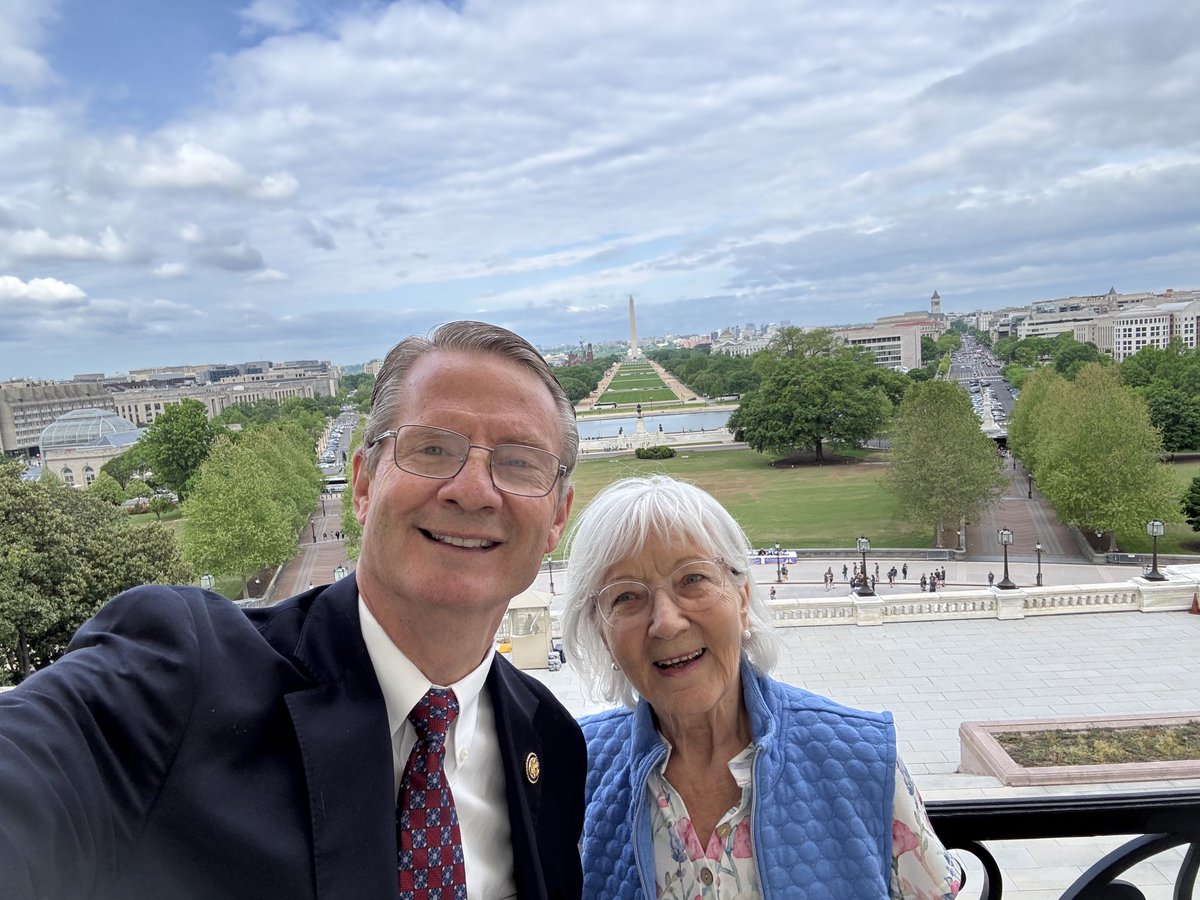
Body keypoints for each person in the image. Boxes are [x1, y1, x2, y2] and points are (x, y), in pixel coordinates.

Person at [0, 321, 587, 900]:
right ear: (362, 484)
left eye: (519, 463)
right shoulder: (183, 673)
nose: (473, 489)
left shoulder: (551, 742)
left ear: (558, 516)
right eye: (432, 448)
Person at [562, 475, 961, 899]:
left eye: (692, 579)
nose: (666, 621)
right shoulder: (570, 768)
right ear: (603, 634)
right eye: (626, 597)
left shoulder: (863, 758)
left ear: (743, 600)